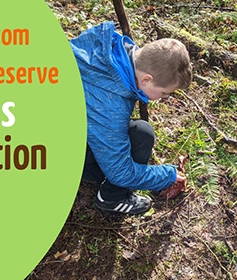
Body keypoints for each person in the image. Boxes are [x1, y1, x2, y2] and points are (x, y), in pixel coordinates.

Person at [70, 22, 192, 214]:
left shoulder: (107, 49)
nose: (164, 98)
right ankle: (112, 200)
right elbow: (121, 173)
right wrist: (166, 175)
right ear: (146, 79)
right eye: (164, 93)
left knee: (137, 135)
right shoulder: (110, 103)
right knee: (143, 136)